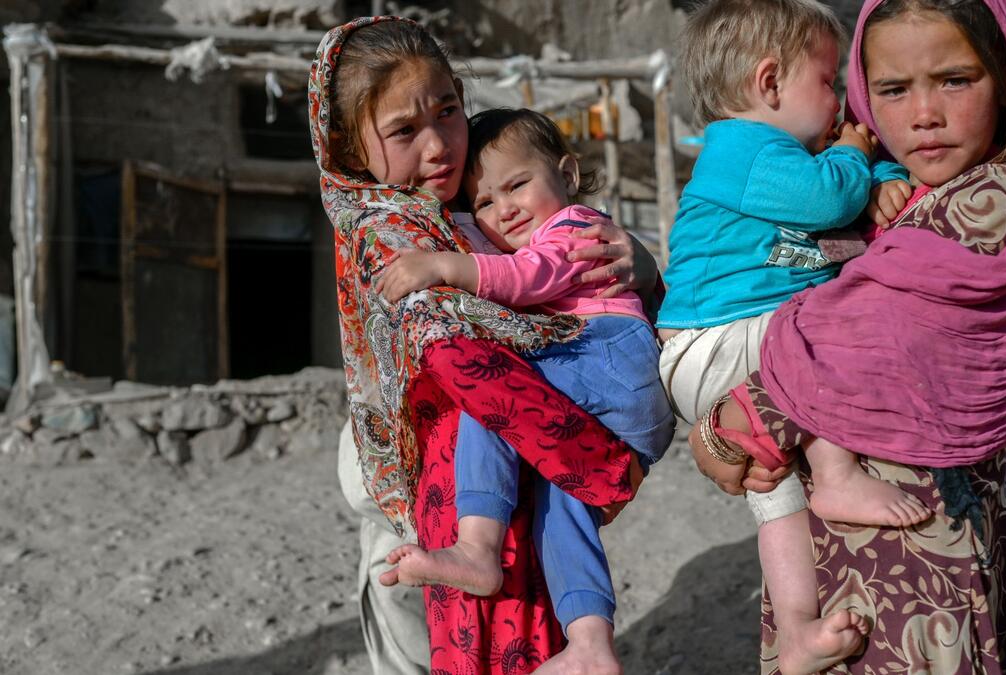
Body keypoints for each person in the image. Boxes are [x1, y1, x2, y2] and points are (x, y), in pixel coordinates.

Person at [692, 0, 1006, 671]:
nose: (924, 113)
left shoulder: (990, 201)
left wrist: (745, 415)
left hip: (921, 534)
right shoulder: (908, 188)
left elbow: (874, 325)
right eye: (892, 89)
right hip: (854, 535)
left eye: (955, 80)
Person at [311, 17, 659, 674]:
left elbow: (560, 270)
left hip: (505, 469)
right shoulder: (390, 233)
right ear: (351, 150)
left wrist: (634, 264)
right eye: (404, 131)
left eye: (448, 111)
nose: (439, 145)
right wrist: (595, 457)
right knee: (432, 636)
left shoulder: (470, 204)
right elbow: (463, 353)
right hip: (440, 487)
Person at [658, 0, 926, 670]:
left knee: (776, 501)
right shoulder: (742, 148)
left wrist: (884, 176)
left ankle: (799, 630)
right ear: (770, 82)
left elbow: (842, 205)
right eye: (828, 82)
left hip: (725, 351)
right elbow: (828, 199)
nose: (839, 101)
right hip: (719, 339)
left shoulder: (788, 154)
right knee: (824, 324)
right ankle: (837, 474)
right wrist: (857, 155)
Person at [370, 107, 675, 672]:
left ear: (568, 174)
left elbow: (526, 277)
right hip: (612, 393)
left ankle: (478, 546)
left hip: (607, 357)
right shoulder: (526, 234)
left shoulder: (576, 228)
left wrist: (442, 266)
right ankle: (590, 644)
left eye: (517, 185)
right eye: (485, 202)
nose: (504, 209)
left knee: (492, 393)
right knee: (561, 516)